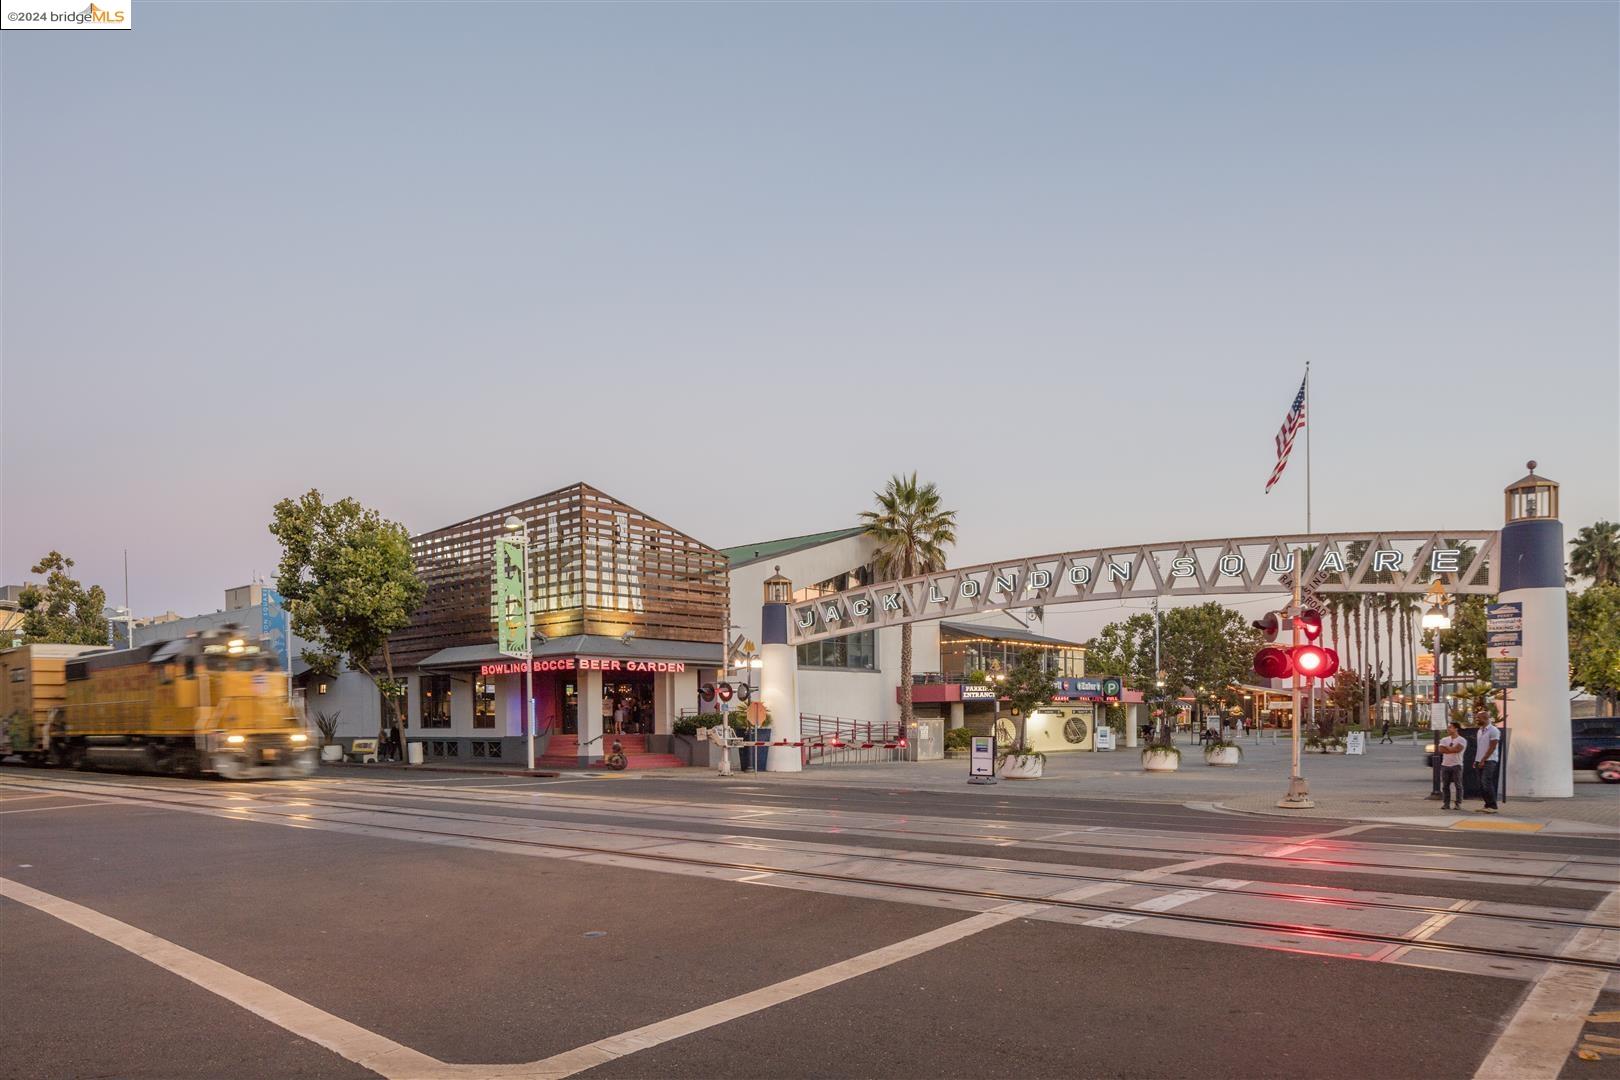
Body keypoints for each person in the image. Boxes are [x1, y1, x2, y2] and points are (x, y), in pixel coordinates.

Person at [1475, 714, 1502, 813]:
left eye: (1478, 718)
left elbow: (1492, 747)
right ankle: (1487, 805)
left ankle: (1493, 806)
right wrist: (1477, 760)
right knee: (1481, 785)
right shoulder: (1479, 731)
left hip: (1490, 760)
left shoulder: (1494, 730)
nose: (1476, 719)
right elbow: (1480, 747)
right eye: (1476, 718)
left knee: (1486, 782)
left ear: (1486, 718)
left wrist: (1483, 760)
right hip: (1479, 760)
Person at [1437, 722, 1467, 811]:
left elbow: (1458, 749)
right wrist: (1452, 749)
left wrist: (1448, 749)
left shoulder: (1462, 740)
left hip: (1457, 764)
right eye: (1448, 727)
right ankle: (1446, 803)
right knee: (1445, 785)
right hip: (1445, 765)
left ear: (1456, 729)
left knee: (1458, 785)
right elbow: (1441, 750)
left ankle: (1458, 803)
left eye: (1450, 727)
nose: (1448, 729)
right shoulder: (1444, 739)